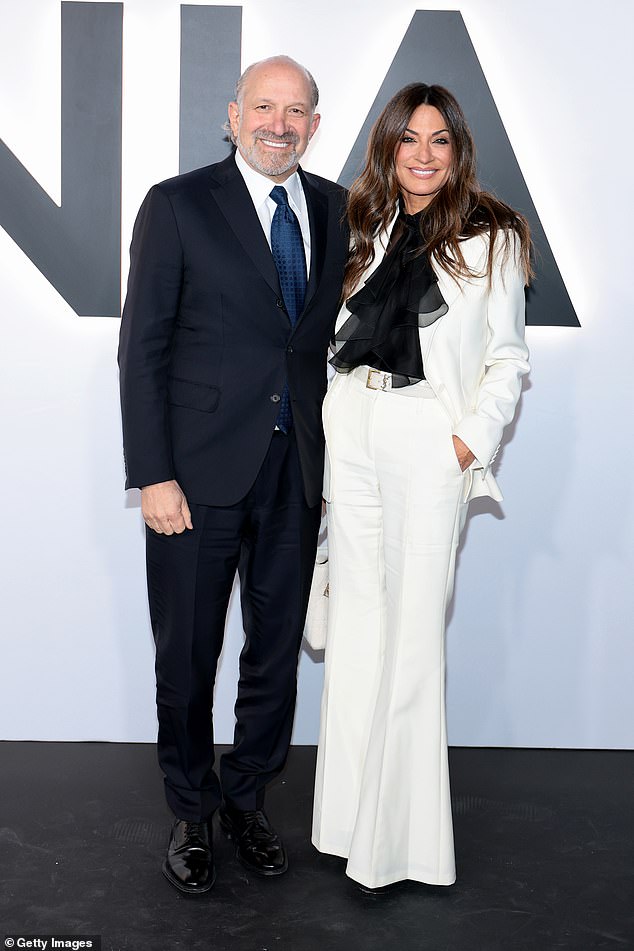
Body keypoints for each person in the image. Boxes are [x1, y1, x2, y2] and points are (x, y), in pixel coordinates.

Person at [118, 55, 348, 895]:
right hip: (195, 479)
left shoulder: (335, 208)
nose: (279, 124)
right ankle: (191, 809)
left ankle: (247, 797)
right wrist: (152, 474)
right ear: (232, 114)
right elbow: (141, 349)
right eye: (264, 107)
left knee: (275, 655)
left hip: (295, 475)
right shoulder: (178, 205)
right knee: (186, 652)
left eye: (296, 112)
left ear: (314, 125)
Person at [311, 83, 531, 891]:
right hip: (354, 430)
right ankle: (345, 823)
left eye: (440, 140)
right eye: (411, 140)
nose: (425, 155)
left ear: (458, 148)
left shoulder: (493, 236)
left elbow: (507, 357)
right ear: (389, 147)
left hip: (427, 440)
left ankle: (398, 844)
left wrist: (465, 443)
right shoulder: (361, 224)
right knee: (359, 627)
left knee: (410, 635)